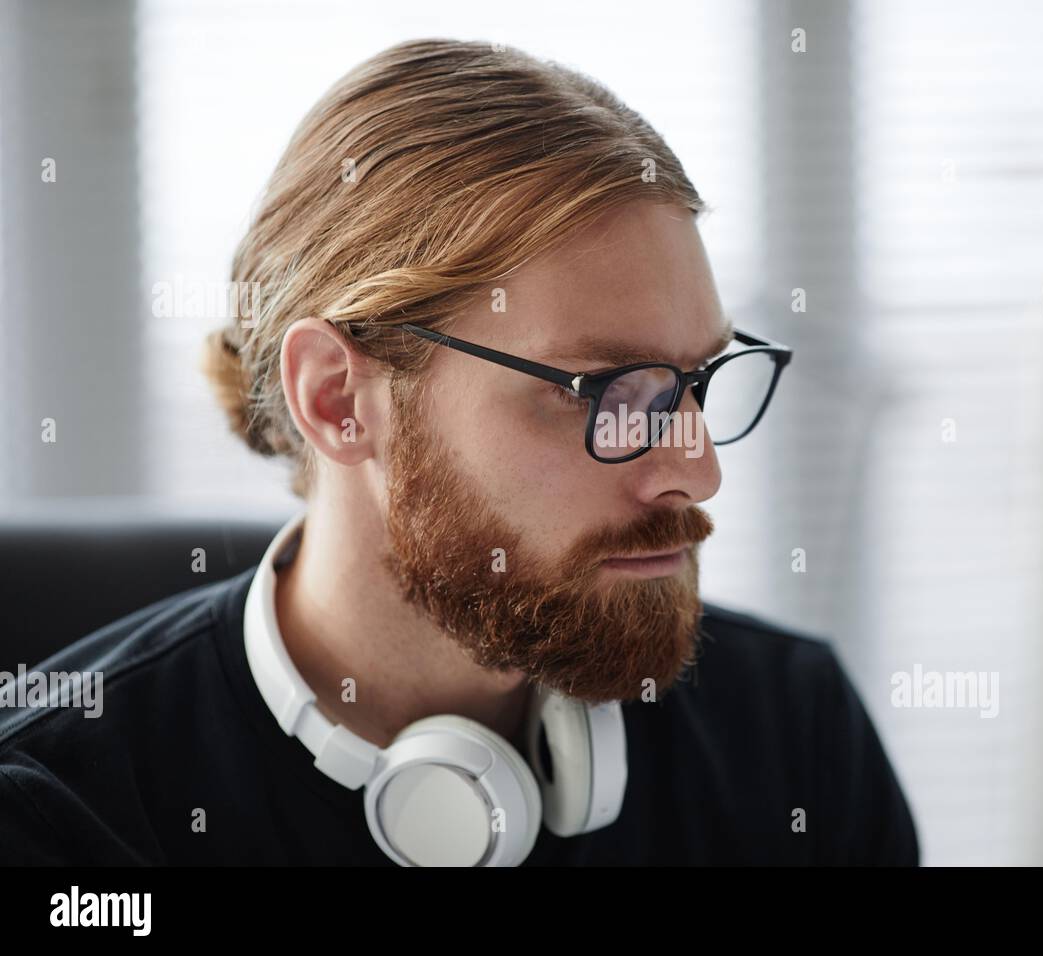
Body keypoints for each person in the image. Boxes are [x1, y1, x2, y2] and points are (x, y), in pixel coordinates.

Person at [0, 38, 918, 866]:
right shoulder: (61, 820)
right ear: (338, 398)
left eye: (696, 382)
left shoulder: (797, 740)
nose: (697, 468)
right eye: (602, 392)